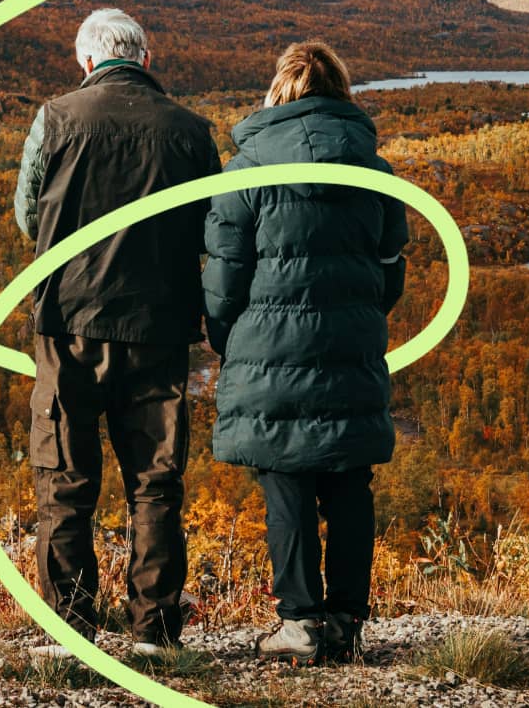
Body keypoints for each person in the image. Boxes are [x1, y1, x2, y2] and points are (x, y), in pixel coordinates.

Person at [14, 8, 221, 657]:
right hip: (158, 329)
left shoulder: (55, 119)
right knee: (155, 482)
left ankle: (72, 628)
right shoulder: (191, 132)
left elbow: (28, 216)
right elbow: (214, 228)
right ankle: (155, 632)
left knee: (65, 479)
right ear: (147, 60)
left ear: (85, 62)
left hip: (68, 325)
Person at [202, 41, 408, 666]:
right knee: (349, 477)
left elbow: (224, 275)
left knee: (285, 477)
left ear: (279, 92)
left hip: (268, 352)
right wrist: (359, 317)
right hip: (351, 346)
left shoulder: (245, 173)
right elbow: (390, 269)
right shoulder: (375, 171)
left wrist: (227, 339)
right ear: (342, 92)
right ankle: (346, 621)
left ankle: (299, 623)